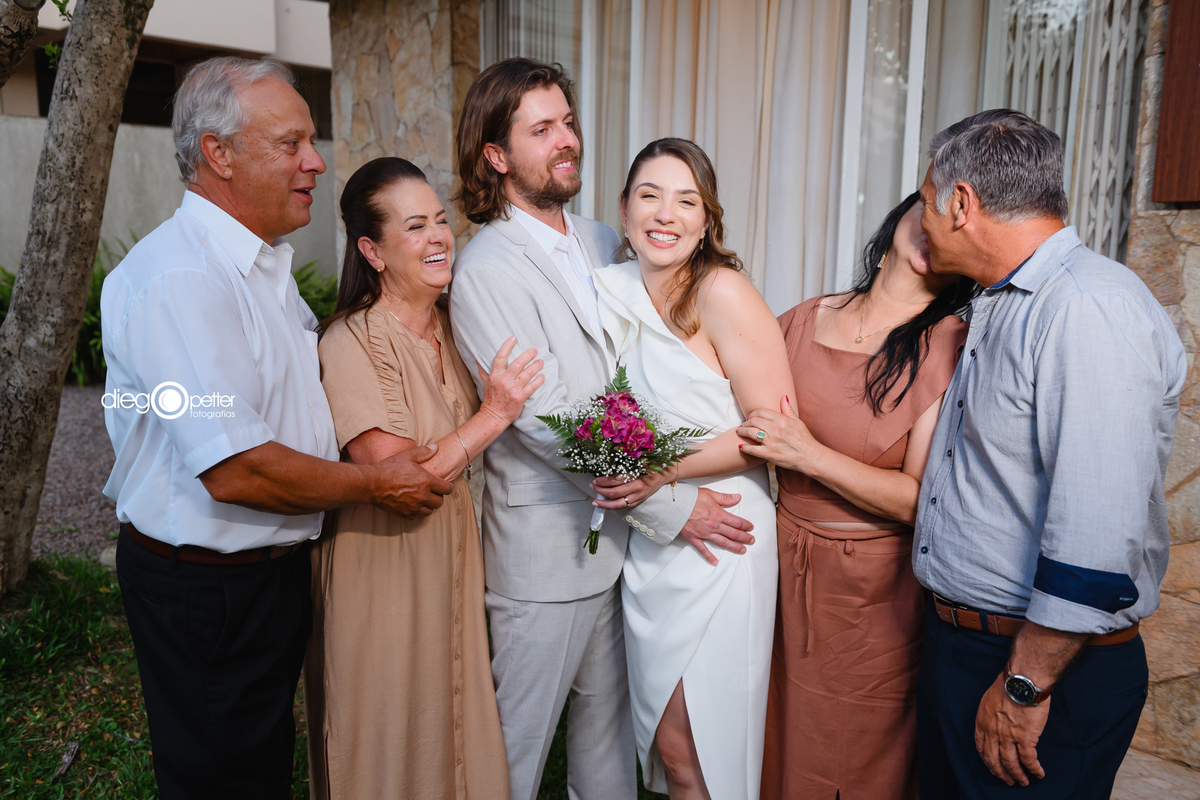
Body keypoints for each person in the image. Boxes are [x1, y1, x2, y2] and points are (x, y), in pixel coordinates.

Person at [100, 58, 452, 800]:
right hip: (208, 588)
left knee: (259, 764)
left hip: (270, 574)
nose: (316, 162)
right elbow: (237, 468)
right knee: (221, 778)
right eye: (291, 143)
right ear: (218, 155)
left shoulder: (261, 268)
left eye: (311, 142)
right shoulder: (180, 280)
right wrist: (375, 482)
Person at [449, 59, 758, 800]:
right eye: (543, 129)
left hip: (621, 556)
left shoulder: (602, 240)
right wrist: (670, 506)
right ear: (496, 156)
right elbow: (549, 420)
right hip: (544, 557)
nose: (568, 141)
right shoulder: (486, 269)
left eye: (569, 122)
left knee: (608, 762)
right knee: (514, 762)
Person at [910, 109, 1186, 799]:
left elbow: (1098, 532)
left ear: (962, 203)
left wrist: (1024, 687)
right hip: (969, 648)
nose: (921, 221)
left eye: (925, 204)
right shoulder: (1003, 299)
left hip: (1039, 668)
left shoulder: (1088, 309)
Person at [305, 157, 541, 799]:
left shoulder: (453, 326)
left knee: (453, 727)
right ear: (372, 251)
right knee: (386, 737)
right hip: (380, 571)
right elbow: (399, 477)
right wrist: (494, 415)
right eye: (415, 226)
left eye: (441, 220)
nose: (439, 236)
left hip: (452, 563)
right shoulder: (353, 340)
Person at [737, 192, 974, 800]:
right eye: (928, 206)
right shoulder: (803, 317)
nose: (932, 228)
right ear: (899, 214)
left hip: (870, 593)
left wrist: (807, 455)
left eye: (951, 221)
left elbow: (918, 500)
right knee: (771, 734)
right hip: (777, 563)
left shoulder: (949, 344)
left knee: (853, 752)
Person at [590, 138, 794, 800]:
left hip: (723, 537)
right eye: (649, 195)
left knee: (698, 748)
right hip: (654, 540)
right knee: (670, 750)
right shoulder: (608, 292)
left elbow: (771, 428)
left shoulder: (722, 291)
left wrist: (659, 471)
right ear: (624, 209)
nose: (665, 214)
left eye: (687, 201)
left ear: (708, 220)